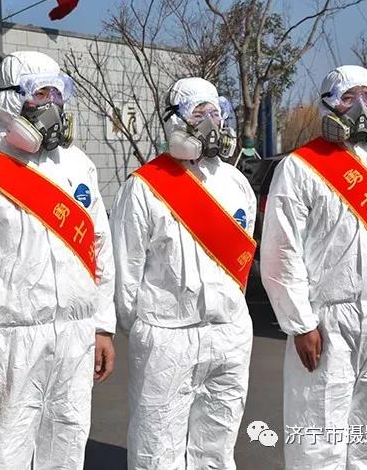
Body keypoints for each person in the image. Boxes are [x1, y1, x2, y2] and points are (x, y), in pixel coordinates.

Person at [0, 51, 117, 470]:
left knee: (67, 452)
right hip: (9, 344)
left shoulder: (78, 166)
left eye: (58, 94)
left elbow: (100, 249)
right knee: (0, 456)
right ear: (11, 99)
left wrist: (102, 325)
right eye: (40, 94)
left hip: (74, 338)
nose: (52, 105)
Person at [260, 65, 367, 469]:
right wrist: (300, 323)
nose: (360, 107)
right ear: (328, 105)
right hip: (327, 319)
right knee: (318, 435)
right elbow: (282, 251)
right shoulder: (300, 167)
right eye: (348, 97)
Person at [111, 77, 254, 470]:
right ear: (175, 120)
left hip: (228, 332)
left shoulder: (236, 183)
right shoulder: (143, 188)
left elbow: (240, 262)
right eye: (198, 112)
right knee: (157, 450)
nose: (211, 121)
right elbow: (126, 273)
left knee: (217, 448)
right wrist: (146, 331)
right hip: (166, 336)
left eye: (216, 112)